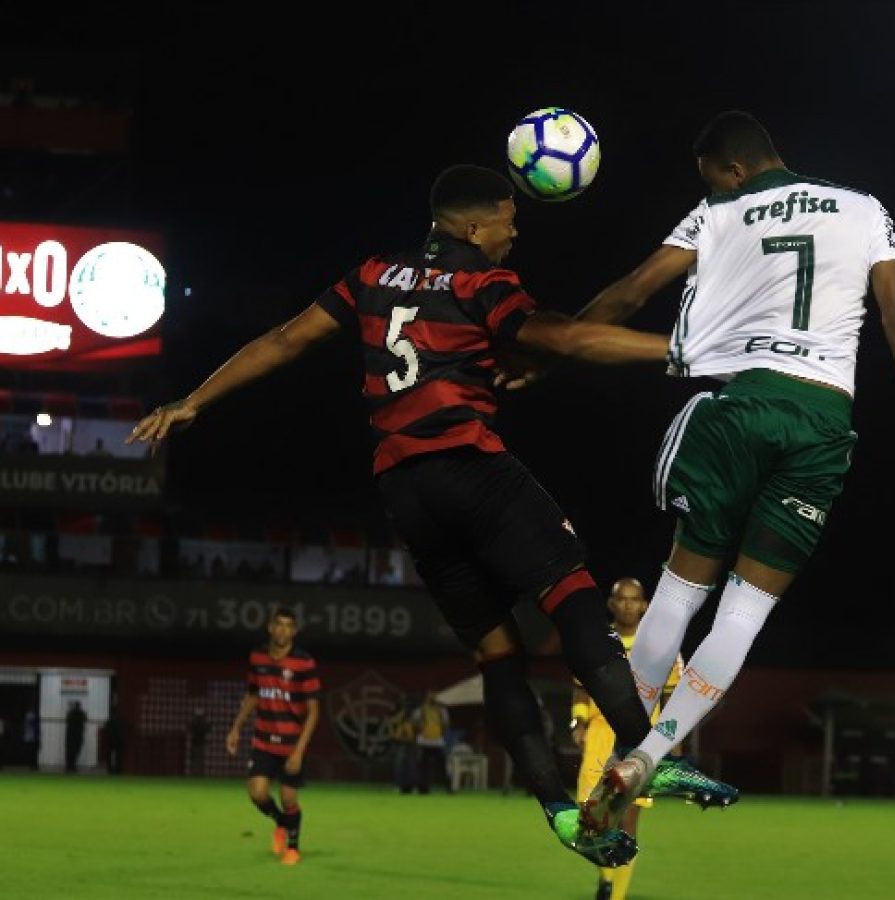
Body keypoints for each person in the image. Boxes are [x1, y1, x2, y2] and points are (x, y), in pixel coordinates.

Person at [125, 163, 732, 868]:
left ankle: (561, 811)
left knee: (497, 654)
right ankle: (649, 752)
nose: (514, 231)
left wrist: (195, 399)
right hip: (473, 468)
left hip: (407, 494)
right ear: (473, 227)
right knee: (573, 600)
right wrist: (683, 353)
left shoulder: (373, 273)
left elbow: (286, 339)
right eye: (509, 219)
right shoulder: (484, 283)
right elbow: (563, 337)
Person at [572, 109, 895, 830]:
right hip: (822, 421)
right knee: (746, 613)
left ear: (731, 170)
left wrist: (557, 343)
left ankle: (622, 749)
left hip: (743, 403)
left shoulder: (719, 210)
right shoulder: (863, 207)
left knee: (679, 590)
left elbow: (631, 291)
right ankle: (650, 758)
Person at [571, 577, 683, 900]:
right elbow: (580, 685)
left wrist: (673, 739)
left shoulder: (661, 644)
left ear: (645, 604)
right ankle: (606, 877)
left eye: (635, 599)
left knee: (629, 818)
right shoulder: (595, 641)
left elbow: (673, 693)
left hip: (640, 738)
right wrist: (577, 722)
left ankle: (615, 894)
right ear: (612, 604)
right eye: (623, 599)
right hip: (600, 736)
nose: (629, 605)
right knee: (593, 815)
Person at [226, 606, 321, 866]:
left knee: (289, 797)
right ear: (270, 627)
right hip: (264, 740)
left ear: (295, 631)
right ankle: (281, 823)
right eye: (278, 624)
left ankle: (293, 848)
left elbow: (314, 712)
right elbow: (253, 695)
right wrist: (236, 727)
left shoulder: (304, 662)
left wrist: (299, 751)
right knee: (257, 792)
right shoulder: (257, 657)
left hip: (291, 743)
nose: (283, 630)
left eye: (289, 626)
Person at [411, 689, 452, 794]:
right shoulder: (421, 709)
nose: (432, 697)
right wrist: (419, 724)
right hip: (423, 741)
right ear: (426, 697)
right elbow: (414, 722)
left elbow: (446, 723)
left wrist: (442, 728)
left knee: (441, 766)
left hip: (437, 741)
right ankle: (423, 788)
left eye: (434, 695)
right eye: (430, 695)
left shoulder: (441, 710)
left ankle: (448, 787)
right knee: (423, 766)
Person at [389, 694, 418, 793]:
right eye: (403, 702)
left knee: (412, 765)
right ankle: (398, 785)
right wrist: (392, 733)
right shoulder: (395, 712)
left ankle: (412, 786)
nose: (405, 704)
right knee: (399, 765)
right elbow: (391, 722)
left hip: (411, 741)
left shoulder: (415, 712)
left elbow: (417, 725)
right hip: (399, 741)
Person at [64, 701, 86, 773]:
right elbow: (85, 719)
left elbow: (67, 720)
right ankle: (72, 765)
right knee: (75, 751)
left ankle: (69, 765)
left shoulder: (71, 713)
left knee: (70, 751)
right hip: (77, 735)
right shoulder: (81, 713)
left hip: (71, 735)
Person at [189, 707, 211, 776]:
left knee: (196, 759)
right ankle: (198, 773)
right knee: (198, 759)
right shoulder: (203, 722)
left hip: (197, 743)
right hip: (198, 743)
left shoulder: (194, 721)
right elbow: (209, 730)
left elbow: (189, 730)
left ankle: (196, 773)